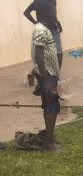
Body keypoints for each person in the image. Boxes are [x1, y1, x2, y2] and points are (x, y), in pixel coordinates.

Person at [31, 20, 61, 151]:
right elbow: (38, 54)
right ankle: (48, 143)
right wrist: (46, 79)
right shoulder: (41, 30)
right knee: (52, 106)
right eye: (51, 8)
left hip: (49, 74)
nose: (54, 13)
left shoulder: (44, 27)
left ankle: (49, 137)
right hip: (47, 75)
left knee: (49, 106)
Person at [24, 0, 63, 68]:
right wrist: (58, 24)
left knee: (41, 54)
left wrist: (36, 23)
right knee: (58, 52)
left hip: (41, 30)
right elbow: (53, 15)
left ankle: (35, 73)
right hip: (52, 30)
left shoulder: (37, 0)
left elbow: (26, 12)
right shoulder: (52, 0)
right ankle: (57, 75)